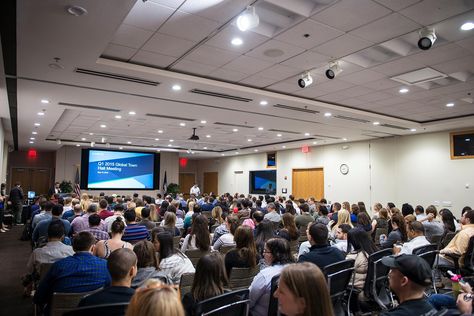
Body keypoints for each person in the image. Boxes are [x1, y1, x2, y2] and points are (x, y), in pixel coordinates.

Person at [33, 232, 111, 312]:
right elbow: (109, 290)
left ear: (73, 248)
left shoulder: (59, 266)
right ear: (92, 248)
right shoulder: (104, 265)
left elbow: (39, 297)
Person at [249, 238, 293, 316]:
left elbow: (249, 301)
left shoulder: (264, 275)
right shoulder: (295, 270)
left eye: (265, 251)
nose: (263, 254)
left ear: (275, 254)